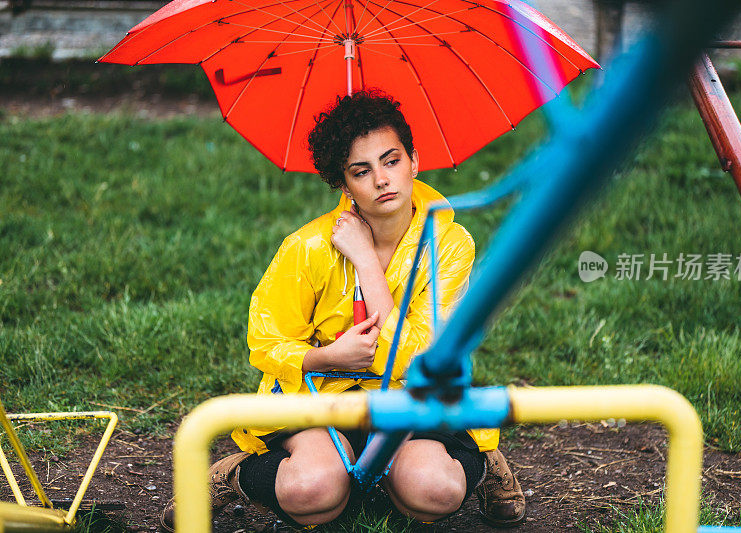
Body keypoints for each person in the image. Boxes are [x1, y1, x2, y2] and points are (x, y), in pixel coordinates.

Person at [161, 90, 525, 531]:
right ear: (343, 183)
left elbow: (424, 354)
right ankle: (238, 475)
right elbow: (266, 341)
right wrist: (321, 358)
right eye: (361, 170)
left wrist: (366, 261)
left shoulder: (449, 244)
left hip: (411, 396)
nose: (381, 180)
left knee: (435, 492)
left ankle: (477, 465)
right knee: (311, 493)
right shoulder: (307, 247)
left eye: (391, 161)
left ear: (414, 160)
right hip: (321, 400)